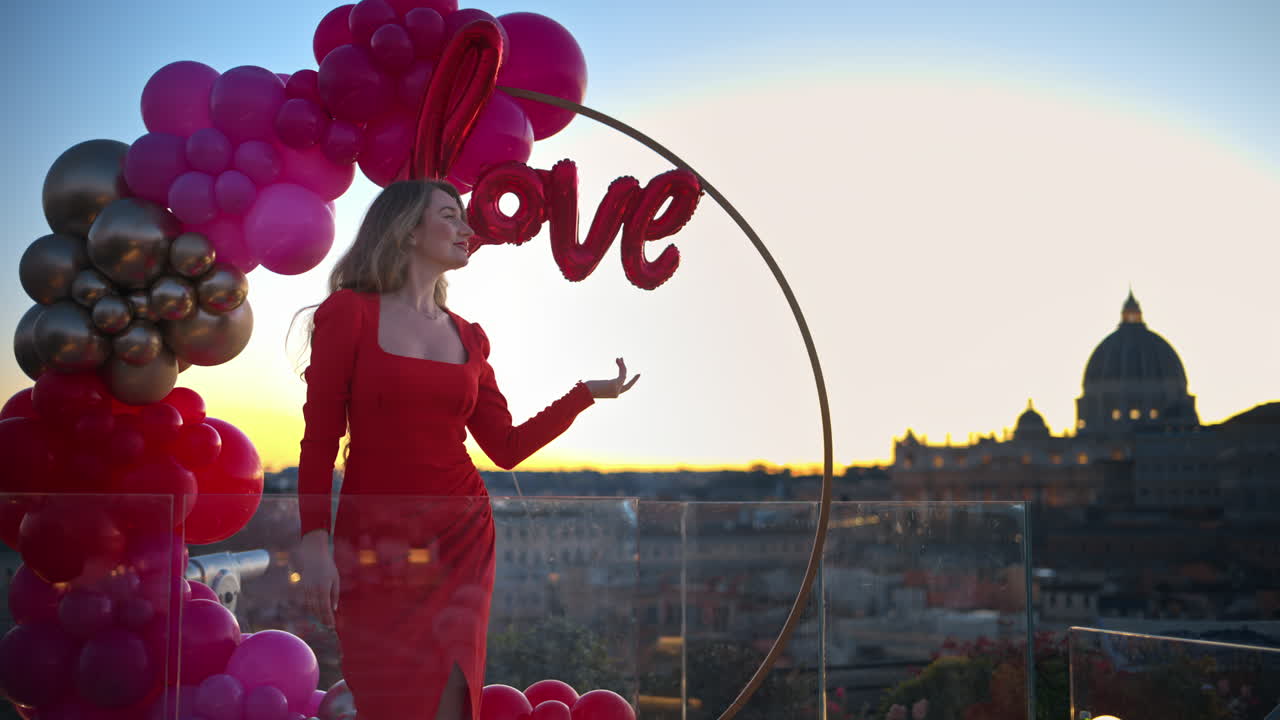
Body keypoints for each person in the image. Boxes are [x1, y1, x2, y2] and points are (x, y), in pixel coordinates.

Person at [294, 180, 638, 720]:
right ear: (408, 231)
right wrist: (315, 542)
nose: (467, 230)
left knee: (452, 697)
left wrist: (584, 396)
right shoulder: (349, 314)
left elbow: (505, 448)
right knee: (386, 694)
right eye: (451, 217)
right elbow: (318, 441)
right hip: (375, 540)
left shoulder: (470, 337)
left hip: (462, 535)